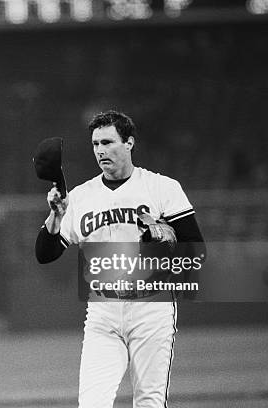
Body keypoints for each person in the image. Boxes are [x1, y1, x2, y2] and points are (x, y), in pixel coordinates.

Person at [35, 110, 205, 408]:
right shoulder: (80, 197)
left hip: (152, 307)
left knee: (150, 402)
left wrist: (162, 244)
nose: (100, 150)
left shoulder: (162, 188)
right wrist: (56, 215)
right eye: (95, 144)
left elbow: (196, 253)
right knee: (92, 404)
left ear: (129, 143)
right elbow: (45, 254)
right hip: (103, 311)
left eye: (108, 142)